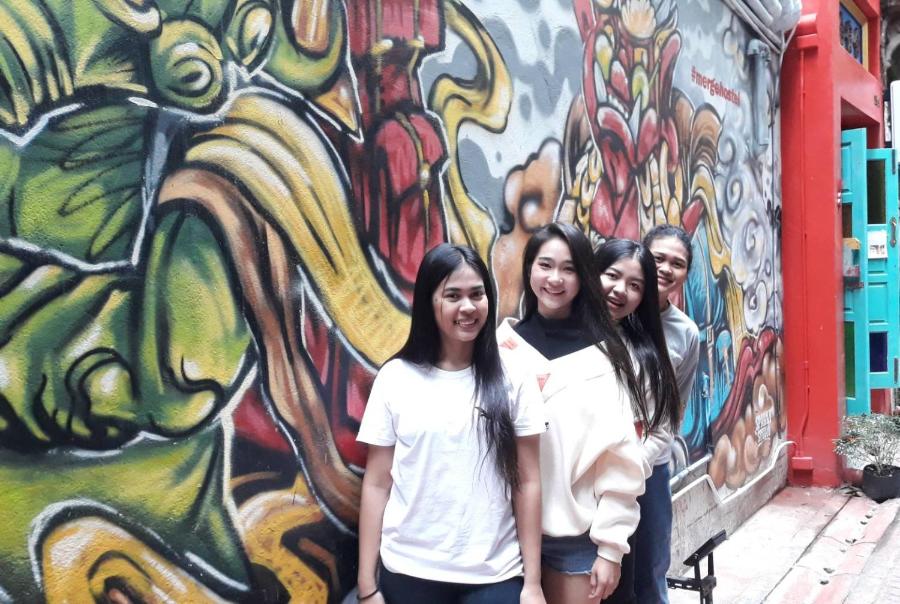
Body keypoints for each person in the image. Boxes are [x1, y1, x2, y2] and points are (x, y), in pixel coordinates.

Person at [356, 243, 547, 604]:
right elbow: (377, 483)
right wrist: (367, 585)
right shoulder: (396, 377)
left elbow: (528, 481)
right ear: (429, 303)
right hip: (410, 572)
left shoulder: (515, 374)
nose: (468, 307)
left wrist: (533, 583)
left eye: (477, 294)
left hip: (494, 574)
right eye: (453, 296)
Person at [496, 223, 649, 604]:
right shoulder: (501, 347)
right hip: (501, 537)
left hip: (574, 540)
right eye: (545, 265)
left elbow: (620, 460)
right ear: (529, 268)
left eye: (569, 269)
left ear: (584, 278)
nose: (555, 279)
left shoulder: (607, 356)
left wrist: (610, 548)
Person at [595, 238, 682, 604]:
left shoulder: (644, 352)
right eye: (612, 276)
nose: (620, 290)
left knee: (632, 583)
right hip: (565, 508)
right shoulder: (555, 342)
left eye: (634, 285)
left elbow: (663, 425)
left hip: (621, 497)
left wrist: (628, 469)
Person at [638, 224, 701, 604]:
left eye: (677, 263)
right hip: (596, 464)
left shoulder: (686, 333)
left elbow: (677, 403)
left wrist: (651, 449)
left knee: (650, 570)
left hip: (653, 466)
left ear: (685, 275)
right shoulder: (610, 313)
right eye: (657, 258)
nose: (665, 268)